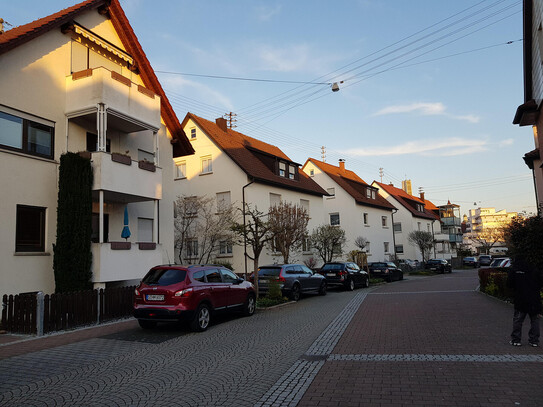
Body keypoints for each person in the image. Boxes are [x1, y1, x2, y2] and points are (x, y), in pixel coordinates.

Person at [506, 257, 542, 347]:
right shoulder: (534, 269)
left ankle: (516, 340)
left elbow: (509, 284)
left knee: (518, 320)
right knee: (535, 320)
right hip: (534, 299)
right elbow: (541, 282)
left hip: (520, 298)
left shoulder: (514, 270)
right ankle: (534, 341)